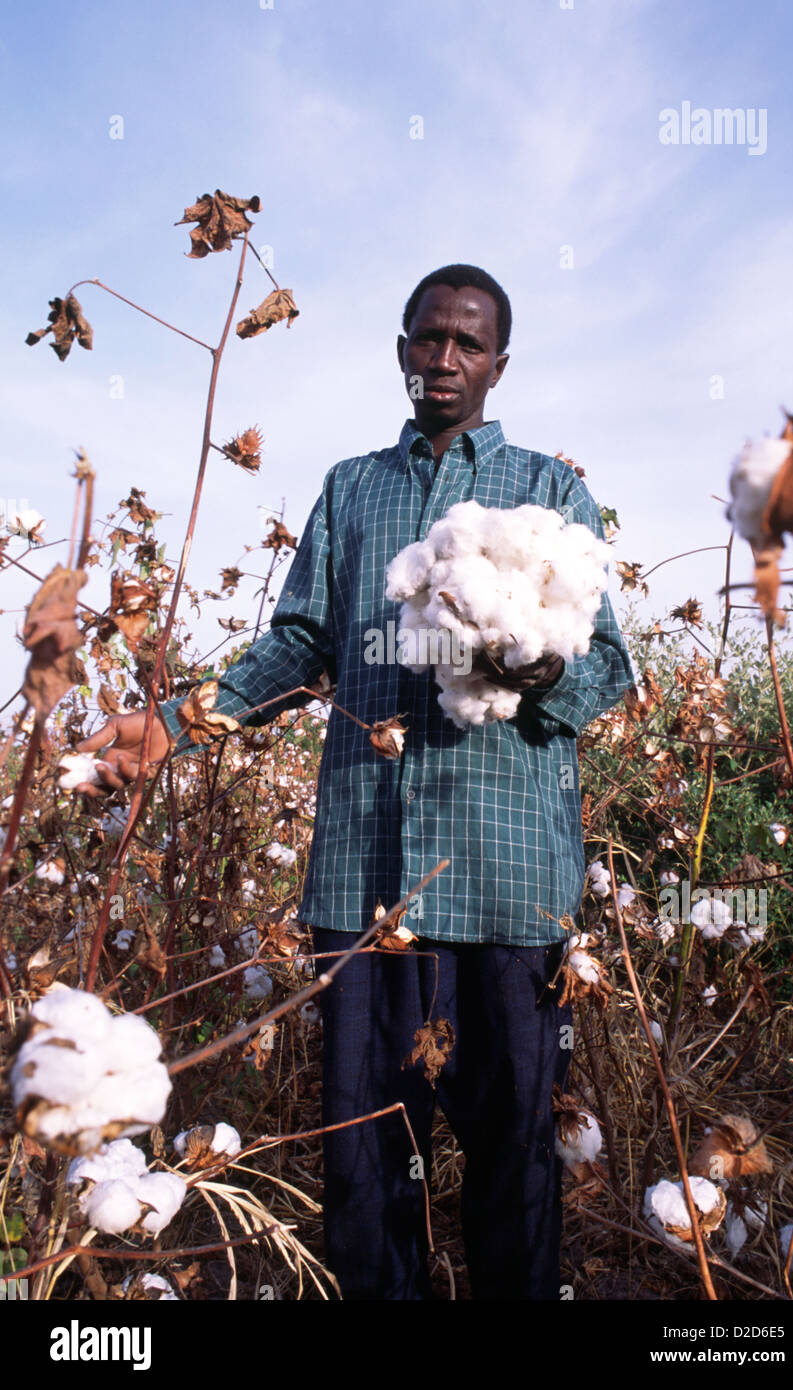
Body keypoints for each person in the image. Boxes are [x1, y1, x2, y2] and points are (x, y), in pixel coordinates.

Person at [78, 264, 634, 1300]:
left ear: (498, 365)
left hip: (507, 884)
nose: (444, 359)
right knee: (366, 1160)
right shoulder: (351, 489)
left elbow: (608, 670)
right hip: (364, 884)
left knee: (516, 1157)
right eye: (428, 338)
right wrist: (166, 728)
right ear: (401, 351)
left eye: (468, 344)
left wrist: (536, 661)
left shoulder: (552, 493)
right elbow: (294, 647)